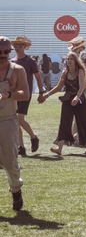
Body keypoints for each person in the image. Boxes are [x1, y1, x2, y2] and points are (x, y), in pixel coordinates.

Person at [44, 51, 86, 156]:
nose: (69, 61)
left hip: (80, 99)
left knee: (84, 122)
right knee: (64, 122)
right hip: (68, 99)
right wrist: (46, 95)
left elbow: (82, 86)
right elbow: (59, 87)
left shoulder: (80, 71)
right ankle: (59, 148)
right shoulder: (65, 73)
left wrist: (77, 97)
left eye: (71, 59)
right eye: (68, 59)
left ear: (75, 60)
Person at [0, 36, 28, 210]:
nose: (2, 55)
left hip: (8, 119)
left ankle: (16, 190)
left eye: (6, 51)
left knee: (10, 160)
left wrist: (10, 94)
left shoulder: (17, 70)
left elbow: (25, 93)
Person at [12, 37, 44, 155]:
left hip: (25, 94)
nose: (17, 47)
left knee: (19, 119)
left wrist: (41, 93)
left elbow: (38, 77)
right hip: (14, 94)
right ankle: (21, 146)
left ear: (25, 47)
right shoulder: (12, 61)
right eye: (15, 45)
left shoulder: (30, 61)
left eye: (20, 45)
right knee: (15, 121)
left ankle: (33, 137)